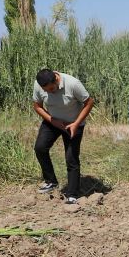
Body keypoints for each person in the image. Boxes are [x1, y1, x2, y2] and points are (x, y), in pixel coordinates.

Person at [32, 68, 94, 204]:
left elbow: (89, 102)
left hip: (73, 124)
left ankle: (72, 194)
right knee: (40, 148)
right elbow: (37, 106)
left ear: (56, 79)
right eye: (46, 90)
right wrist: (52, 120)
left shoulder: (73, 84)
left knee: (71, 158)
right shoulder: (39, 84)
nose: (49, 92)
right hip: (52, 121)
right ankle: (51, 181)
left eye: (51, 89)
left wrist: (76, 123)